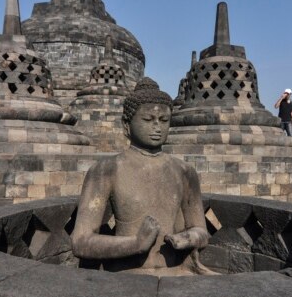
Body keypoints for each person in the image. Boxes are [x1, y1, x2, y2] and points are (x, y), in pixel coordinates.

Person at [71, 77, 213, 276]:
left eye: (164, 121)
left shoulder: (184, 171)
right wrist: (136, 243)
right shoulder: (106, 170)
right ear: (127, 125)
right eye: (148, 120)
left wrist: (188, 238)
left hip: (176, 273)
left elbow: (201, 231)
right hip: (127, 275)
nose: (157, 127)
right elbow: (80, 241)